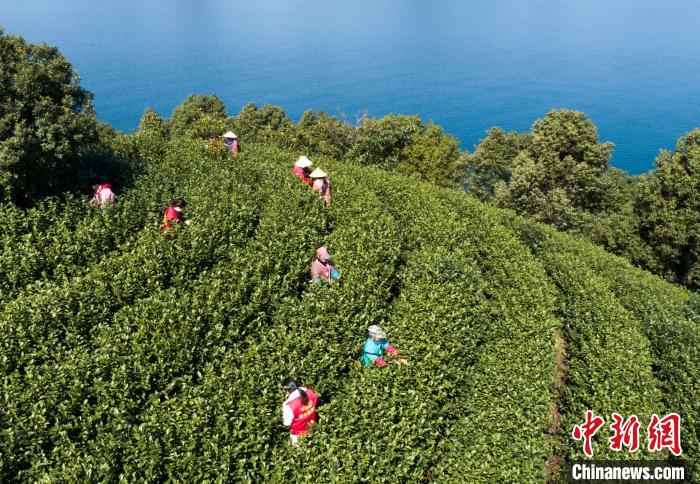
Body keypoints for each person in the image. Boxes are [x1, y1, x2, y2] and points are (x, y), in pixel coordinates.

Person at [281, 378, 318, 445]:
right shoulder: (310, 392)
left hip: (298, 436)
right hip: (312, 428)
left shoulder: (289, 405)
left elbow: (286, 423)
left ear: (286, 391)